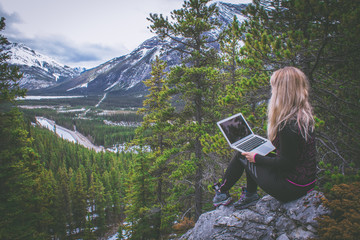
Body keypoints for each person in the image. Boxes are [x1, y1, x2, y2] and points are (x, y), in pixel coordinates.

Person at [213, 66, 317, 209]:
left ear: (282, 92)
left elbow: (286, 162)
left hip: (290, 189)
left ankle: (222, 192)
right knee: (253, 150)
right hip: (306, 182)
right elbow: (294, 154)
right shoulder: (303, 116)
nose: (272, 91)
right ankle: (249, 194)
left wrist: (256, 158)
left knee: (242, 155)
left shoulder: (287, 125)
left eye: (273, 87)